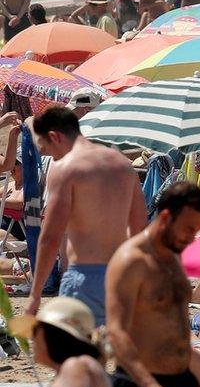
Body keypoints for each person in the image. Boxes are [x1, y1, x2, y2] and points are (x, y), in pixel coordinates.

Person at [105, 182, 200, 387]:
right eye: (188, 228)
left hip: (181, 381)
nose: (191, 238)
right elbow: (116, 332)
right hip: (138, 385)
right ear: (165, 217)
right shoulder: (131, 261)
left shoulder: (174, 255)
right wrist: (149, 386)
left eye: (196, 230)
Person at [27, 106, 147, 326]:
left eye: (47, 149)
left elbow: (50, 236)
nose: (50, 157)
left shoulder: (65, 168)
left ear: (55, 136)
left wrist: (35, 294)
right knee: (120, 353)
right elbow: (139, 228)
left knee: (78, 356)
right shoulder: (122, 165)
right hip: (122, 276)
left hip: (84, 277)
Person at [6, 297, 115, 387]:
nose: (31, 339)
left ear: (50, 335)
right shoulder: (79, 369)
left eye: (35, 331)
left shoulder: (76, 368)